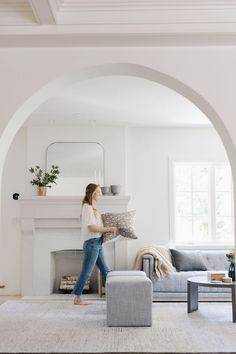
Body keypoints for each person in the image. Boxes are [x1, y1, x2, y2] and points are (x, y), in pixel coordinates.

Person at [73, 183, 118, 305]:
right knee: (86, 272)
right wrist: (109, 229)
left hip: (97, 243)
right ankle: (77, 298)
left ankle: (112, 296)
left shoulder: (93, 208)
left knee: (106, 271)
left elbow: (97, 226)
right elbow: (92, 228)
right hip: (92, 244)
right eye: (98, 192)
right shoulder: (87, 207)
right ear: (92, 193)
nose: (100, 194)